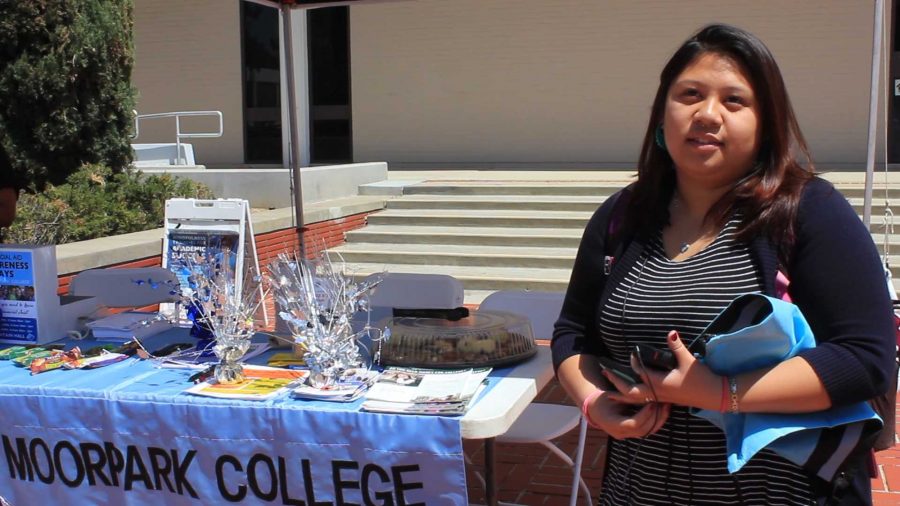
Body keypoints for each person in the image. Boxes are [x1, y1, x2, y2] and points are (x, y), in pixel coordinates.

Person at [552, 24, 895, 505]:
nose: (707, 114)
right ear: (661, 115)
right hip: (638, 488)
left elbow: (865, 359)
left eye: (734, 101)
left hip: (778, 492)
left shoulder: (810, 211)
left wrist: (718, 392)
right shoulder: (620, 218)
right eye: (689, 94)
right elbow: (573, 333)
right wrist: (593, 402)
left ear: (765, 125)